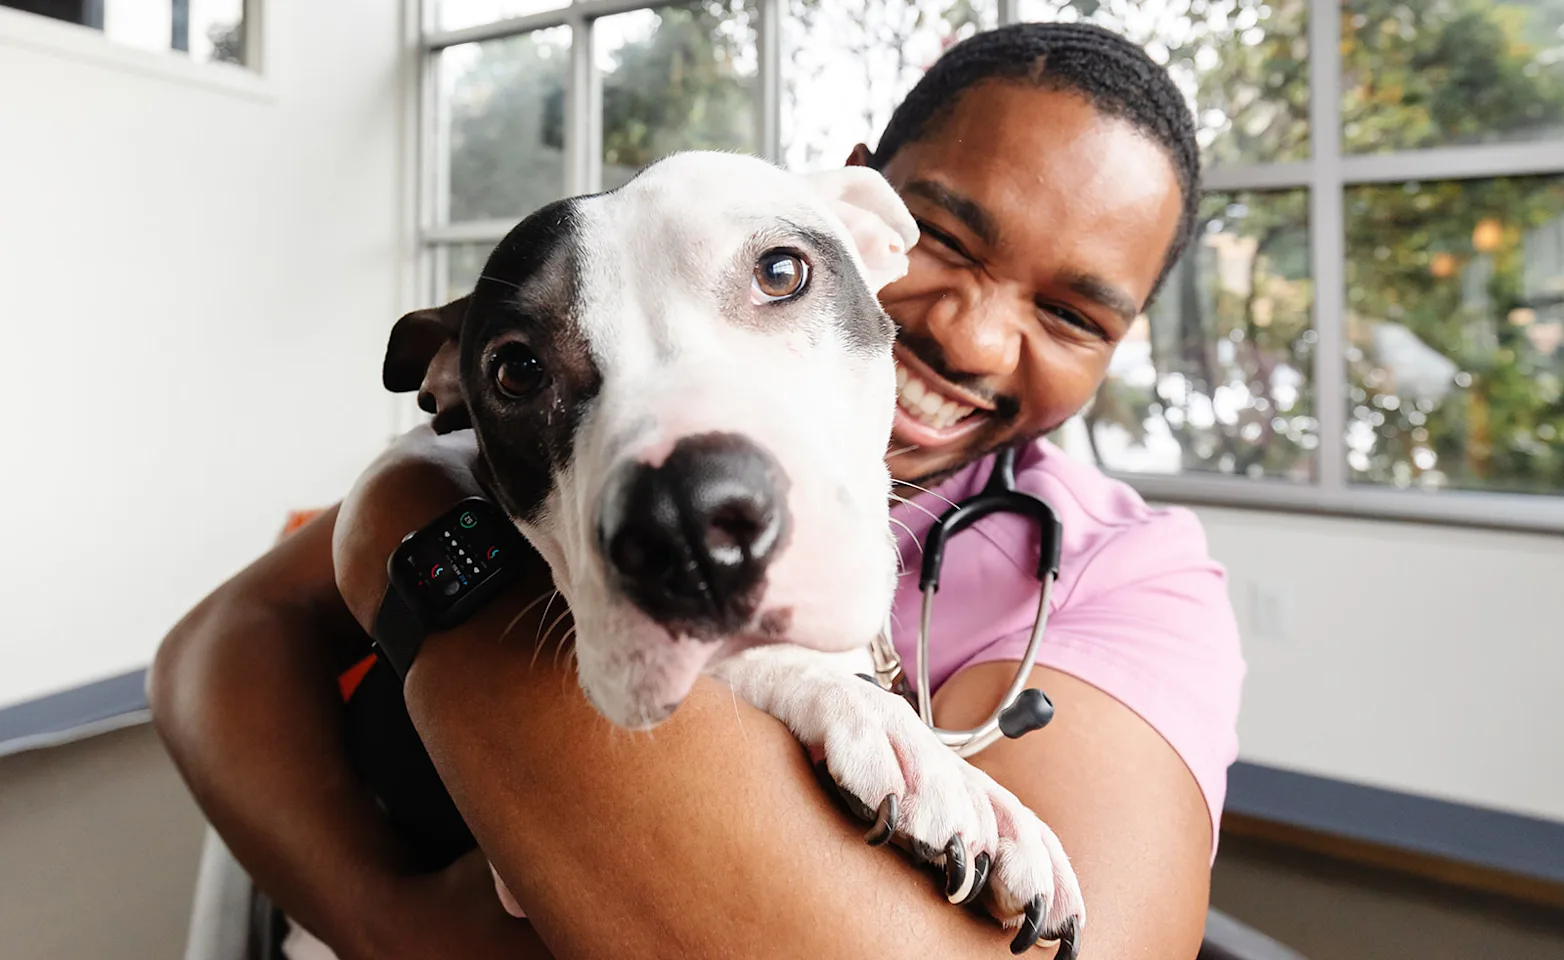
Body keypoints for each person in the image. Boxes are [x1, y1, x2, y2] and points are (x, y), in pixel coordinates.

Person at [151, 21, 1243, 960]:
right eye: (947, 241)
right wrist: (392, 926)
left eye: (1072, 315)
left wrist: (407, 529)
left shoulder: (1135, 582)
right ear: (871, 216)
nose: (969, 332)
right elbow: (217, 644)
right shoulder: (577, 424)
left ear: (1120, 343)